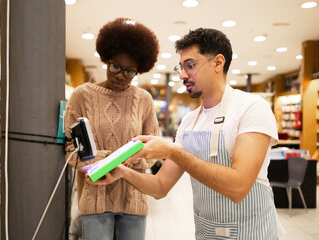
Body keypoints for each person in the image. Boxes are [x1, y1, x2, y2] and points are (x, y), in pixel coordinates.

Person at [88, 28, 279, 239]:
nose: (182, 75)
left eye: (190, 65)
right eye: (181, 67)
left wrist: (173, 151)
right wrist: (123, 173)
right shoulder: (189, 122)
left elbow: (238, 187)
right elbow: (160, 187)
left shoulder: (251, 108)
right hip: (206, 234)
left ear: (218, 63)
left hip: (252, 233)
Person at [64, 18, 160, 240]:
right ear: (106, 59)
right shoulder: (82, 96)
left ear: (138, 71)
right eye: (116, 66)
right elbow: (70, 148)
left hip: (133, 198)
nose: (120, 75)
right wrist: (104, 159)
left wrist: (122, 161)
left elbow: (154, 151)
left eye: (129, 71)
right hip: (94, 199)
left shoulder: (144, 99)